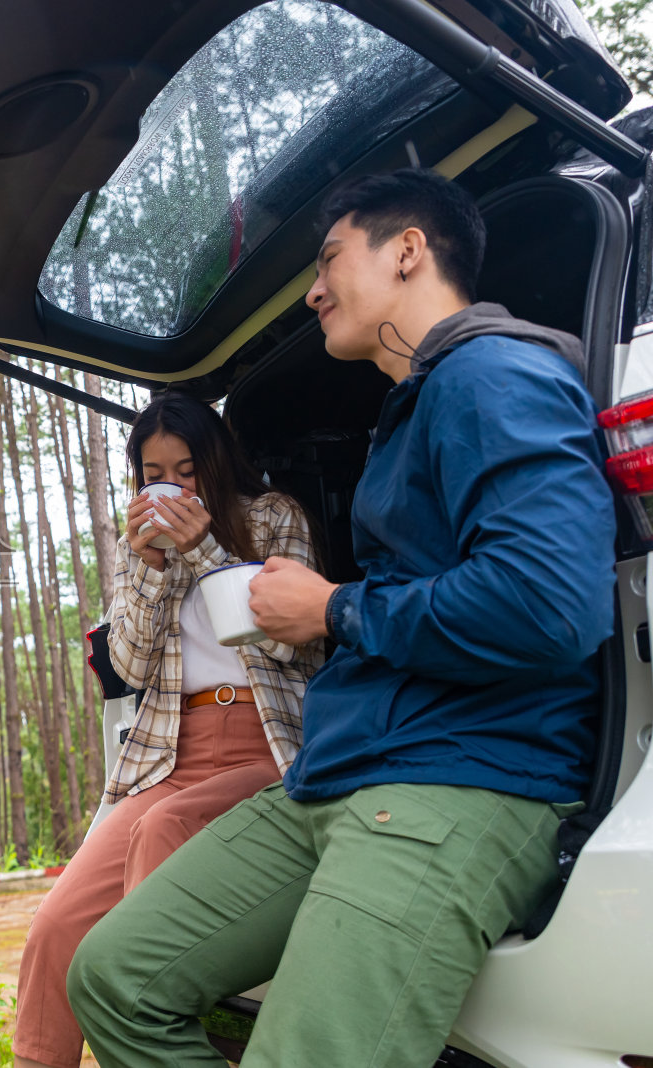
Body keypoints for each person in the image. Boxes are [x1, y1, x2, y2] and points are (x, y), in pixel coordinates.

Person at [66, 169, 614, 1067]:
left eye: (328, 259)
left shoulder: (495, 371)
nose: (313, 290)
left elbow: (550, 604)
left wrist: (332, 608)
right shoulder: (413, 407)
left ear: (407, 250)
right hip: (336, 777)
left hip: (459, 777)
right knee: (113, 979)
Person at [12, 392, 325, 1068]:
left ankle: (159, 1030)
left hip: (264, 743)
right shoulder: (142, 550)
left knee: (165, 829)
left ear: (214, 460)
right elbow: (129, 664)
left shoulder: (274, 517)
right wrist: (150, 567)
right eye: (155, 474)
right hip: (170, 753)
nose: (172, 487)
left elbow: (291, 647)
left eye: (185, 470)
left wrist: (205, 552)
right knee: (57, 923)